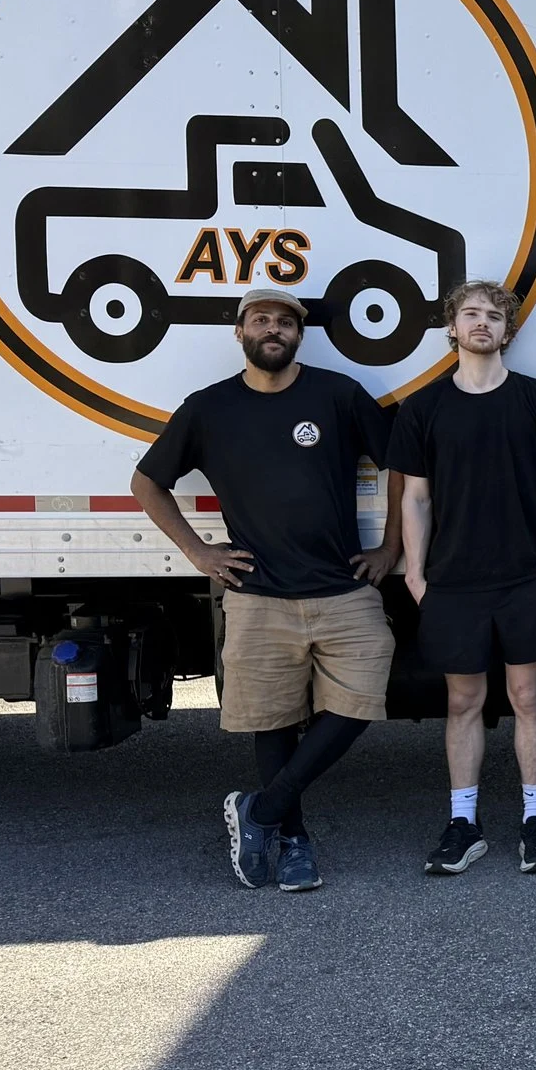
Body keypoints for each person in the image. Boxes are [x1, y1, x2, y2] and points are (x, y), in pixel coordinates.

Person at [131, 285, 400, 893]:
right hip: (257, 593)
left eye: (284, 321)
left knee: (360, 702)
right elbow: (147, 482)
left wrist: (392, 547)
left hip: (342, 587)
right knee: (273, 721)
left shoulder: (337, 395)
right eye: (260, 319)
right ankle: (294, 842)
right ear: (241, 332)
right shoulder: (209, 408)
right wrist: (197, 550)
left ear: (299, 334)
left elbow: (401, 466)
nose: (273, 328)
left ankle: (260, 810)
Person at [391, 281, 536, 878]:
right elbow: (415, 499)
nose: (482, 324)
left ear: (507, 332)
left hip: (526, 578)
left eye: (494, 317)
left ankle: (535, 821)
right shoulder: (423, 408)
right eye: (470, 314)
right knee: (462, 700)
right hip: (452, 582)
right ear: (452, 327)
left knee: (528, 698)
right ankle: (464, 823)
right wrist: (416, 574)